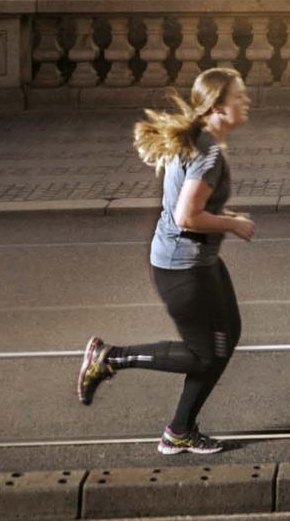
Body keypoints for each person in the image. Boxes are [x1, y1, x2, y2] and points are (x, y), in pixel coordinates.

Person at [77, 67, 253, 454]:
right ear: (219, 107)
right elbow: (186, 216)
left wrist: (223, 218)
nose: (246, 102)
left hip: (197, 261)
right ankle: (110, 358)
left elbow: (190, 207)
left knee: (227, 338)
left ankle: (180, 431)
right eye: (239, 97)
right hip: (183, 268)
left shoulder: (203, 142)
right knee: (204, 354)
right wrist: (233, 224)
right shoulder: (207, 153)